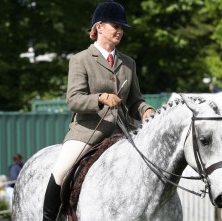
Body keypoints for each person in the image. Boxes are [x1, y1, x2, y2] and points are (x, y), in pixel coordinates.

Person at [42, 0, 155, 220]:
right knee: (61, 170)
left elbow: (135, 101)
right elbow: (73, 100)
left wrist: (146, 111)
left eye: (122, 28)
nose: (120, 31)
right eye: (116, 26)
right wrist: (101, 98)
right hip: (87, 130)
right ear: (100, 27)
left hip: (122, 132)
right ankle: (48, 218)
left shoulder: (128, 63)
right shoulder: (80, 60)